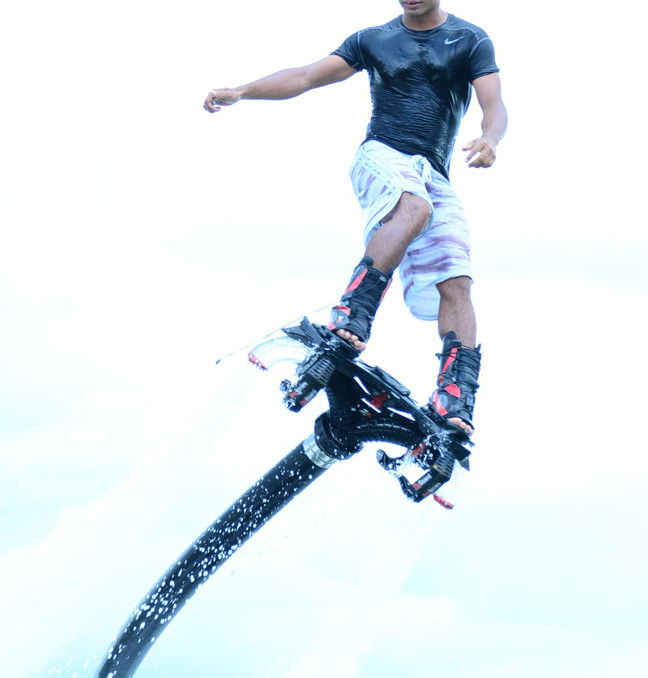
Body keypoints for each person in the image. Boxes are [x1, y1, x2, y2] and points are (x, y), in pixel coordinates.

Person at [204, 0, 507, 435]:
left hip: (434, 174)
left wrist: (490, 138)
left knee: (457, 280)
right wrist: (242, 91)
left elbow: (494, 104)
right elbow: (305, 76)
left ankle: (454, 393)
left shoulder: (470, 40)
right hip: (382, 154)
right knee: (414, 207)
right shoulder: (374, 39)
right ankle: (353, 311)